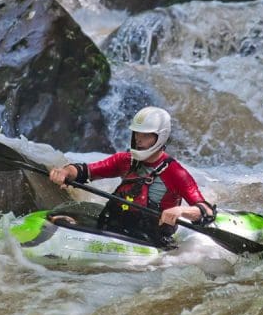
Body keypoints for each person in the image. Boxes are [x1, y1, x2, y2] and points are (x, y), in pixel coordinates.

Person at [48, 106, 215, 248]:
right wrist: (65, 172)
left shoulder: (176, 173)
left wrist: (181, 211)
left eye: (146, 136)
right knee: (58, 214)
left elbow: (205, 211)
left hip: (150, 238)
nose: (139, 140)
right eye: (137, 134)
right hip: (117, 225)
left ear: (160, 137)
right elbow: (86, 171)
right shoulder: (125, 160)